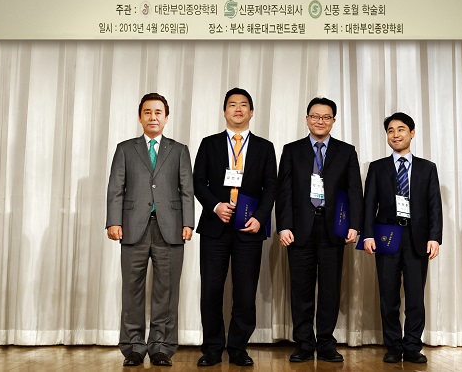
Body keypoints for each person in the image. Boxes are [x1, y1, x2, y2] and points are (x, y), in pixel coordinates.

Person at [106, 93, 194, 367]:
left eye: (158, 112)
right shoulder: (125, 149)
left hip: (171, 228)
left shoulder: (179, 150)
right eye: (147, 112)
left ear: (166, 118)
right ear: (140, 117)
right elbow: (115, 188)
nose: (153, 117)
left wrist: (188, 222)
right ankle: (133, 347)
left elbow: (187, 190)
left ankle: (161, 347)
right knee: (131, 290)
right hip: (133, 227)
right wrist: (113, 221)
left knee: (166, 291)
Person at [193, 88, 277, 367]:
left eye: (243, 105)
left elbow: (271, 187)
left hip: (249, 228)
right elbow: (198, 182)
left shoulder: (265, 147)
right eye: (232, 104)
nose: (238, 109)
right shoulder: (209, 144)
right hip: (215, 227)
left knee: (245, 291)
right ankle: (212, 348)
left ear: (251, 112)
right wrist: (215, 206)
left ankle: (238, 347)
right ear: (224, 111)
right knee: (211, 290)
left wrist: (260, 217)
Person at [276, 97, 364, 363]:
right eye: (315, 116)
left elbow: (354, 191)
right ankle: (304, 343)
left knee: (329, 289)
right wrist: (284, 226)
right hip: (299, 229)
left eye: (326, 117)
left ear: (333, 121)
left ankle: (326, 343)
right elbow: (284, 191)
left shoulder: (346, 151)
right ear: (307, 119)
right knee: (301, 289)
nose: (320, 121)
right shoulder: (292, 150)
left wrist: (355, 225)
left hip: (333, 229)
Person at [363, 112, 442, 364]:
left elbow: (434, 205)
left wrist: (435, 237)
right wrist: (367, 235)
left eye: (401, 129)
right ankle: (393, 346)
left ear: (412, 133)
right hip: (387, 237)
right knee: (389, 296)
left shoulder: (427, 168)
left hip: (417, 239)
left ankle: (412, 346)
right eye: (390, 130)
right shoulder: (377, 167)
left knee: (415, 297)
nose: (395, 134)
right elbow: (369, 205)